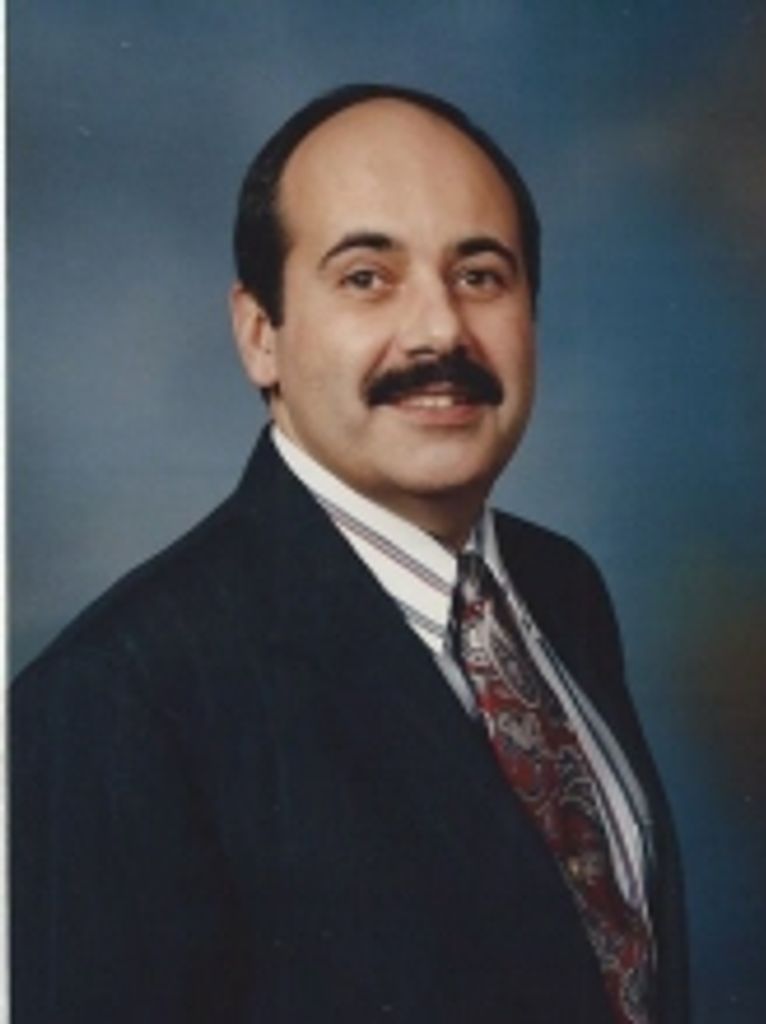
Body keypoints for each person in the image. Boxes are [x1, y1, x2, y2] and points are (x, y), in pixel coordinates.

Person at [12, 84, 688, 1023]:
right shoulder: (111, 702)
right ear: (261, 335)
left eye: (480, 275)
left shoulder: (560, 586)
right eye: (367, 277)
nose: (440, 330)